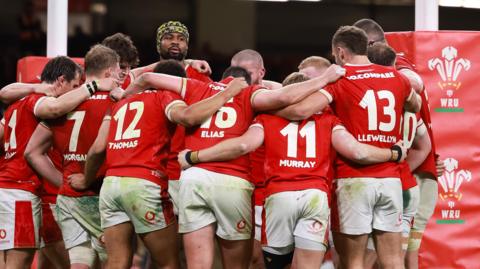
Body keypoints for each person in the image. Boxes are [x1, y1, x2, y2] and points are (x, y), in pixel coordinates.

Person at [123, 62, 345, 269]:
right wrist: (325, 78)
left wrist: (124, 97)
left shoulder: (197, 86)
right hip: (234, 182)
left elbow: (148, 77)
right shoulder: (251, 95)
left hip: (194, 178)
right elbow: (284, 98)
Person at [176, 71, 407, 269]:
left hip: (280, 197)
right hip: (315, 197)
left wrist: (196, 156)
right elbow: (356, 151)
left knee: (276, 264)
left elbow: (243, 145)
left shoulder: (267, 118)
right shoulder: (329, 118)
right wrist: (392, 153)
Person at [67, 60, 247, 269]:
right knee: (168, 262)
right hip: (143, 184)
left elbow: (98, 149)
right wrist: (226, 94)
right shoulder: (165, 96)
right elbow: (187, 117)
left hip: (111, 185)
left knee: (117, 261)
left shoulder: (120, 103)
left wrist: (86, 180)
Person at [269, 26, 421, 269]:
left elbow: (300, 111)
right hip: (392, 178)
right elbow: (416, 102)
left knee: (353, 262)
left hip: (354, 179)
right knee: (393, 260)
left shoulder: (340, 78)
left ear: (340, 52)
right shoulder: (396, 78)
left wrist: (268, 109)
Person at [0, 55, 117, 269]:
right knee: (18, 264)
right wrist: (94, 86)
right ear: (61, 81)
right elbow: (54, 109)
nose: (76, 91)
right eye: (74, 86)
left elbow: (4, 95)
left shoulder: (16, 103)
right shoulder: (40, 101)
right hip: (21, 192)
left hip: (8, 189)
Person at [354, 19, 444, 269]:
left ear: (369, 44)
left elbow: (414, 80)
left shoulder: (398, 67)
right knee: (396, 258)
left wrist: (399, 168)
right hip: (406, 173)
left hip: (412, 176)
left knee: (391, 258)